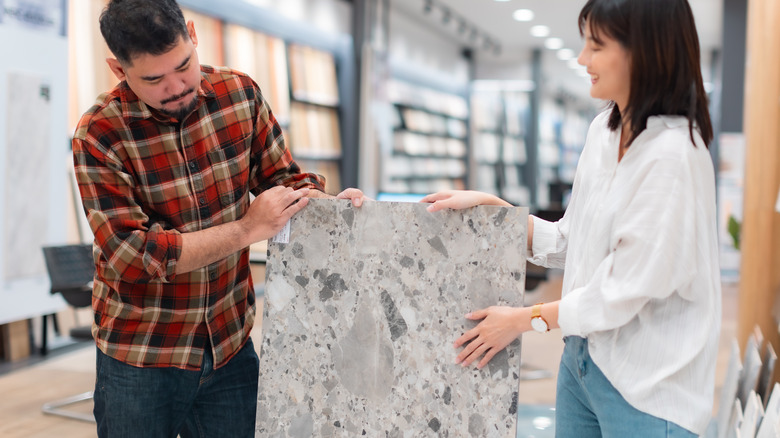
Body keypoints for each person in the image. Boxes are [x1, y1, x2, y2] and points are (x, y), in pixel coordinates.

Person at [422, 0, 720, 436]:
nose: (583, 59)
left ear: (644, 50)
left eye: (596, 46)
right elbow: (571, 242)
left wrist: (523, 319)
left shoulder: (674, 157)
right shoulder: (604, 132)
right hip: (582, 365)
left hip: (648, 391)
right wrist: (496, 214)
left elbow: (621, 291)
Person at [72, 0, 364, 436]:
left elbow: (284, 181)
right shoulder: (99, 134)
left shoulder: (240, 94)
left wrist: (330, 207)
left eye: (183, 66)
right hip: (142, 355)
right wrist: (248, 229)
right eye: (154, 79)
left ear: (191, 33)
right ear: (118, 70)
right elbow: (134, 257)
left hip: (230, 345)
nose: (175, 86)